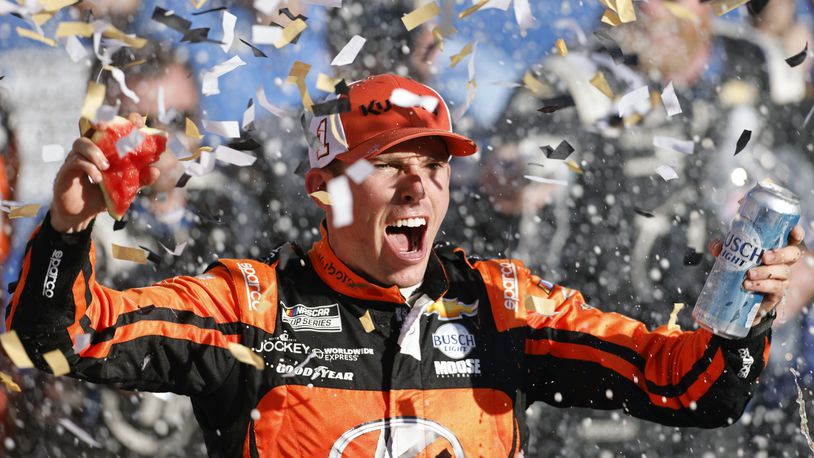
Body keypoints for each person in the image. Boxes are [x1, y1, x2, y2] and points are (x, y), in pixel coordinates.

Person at [4, 74, 806, 457]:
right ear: (327, 188)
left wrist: (748, 313)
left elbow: (692, 389)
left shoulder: (501, 306)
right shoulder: (252, 306)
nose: (419, 184)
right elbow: (57, 337)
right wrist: (68, 230)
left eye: (437, 165)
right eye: (390, 163)